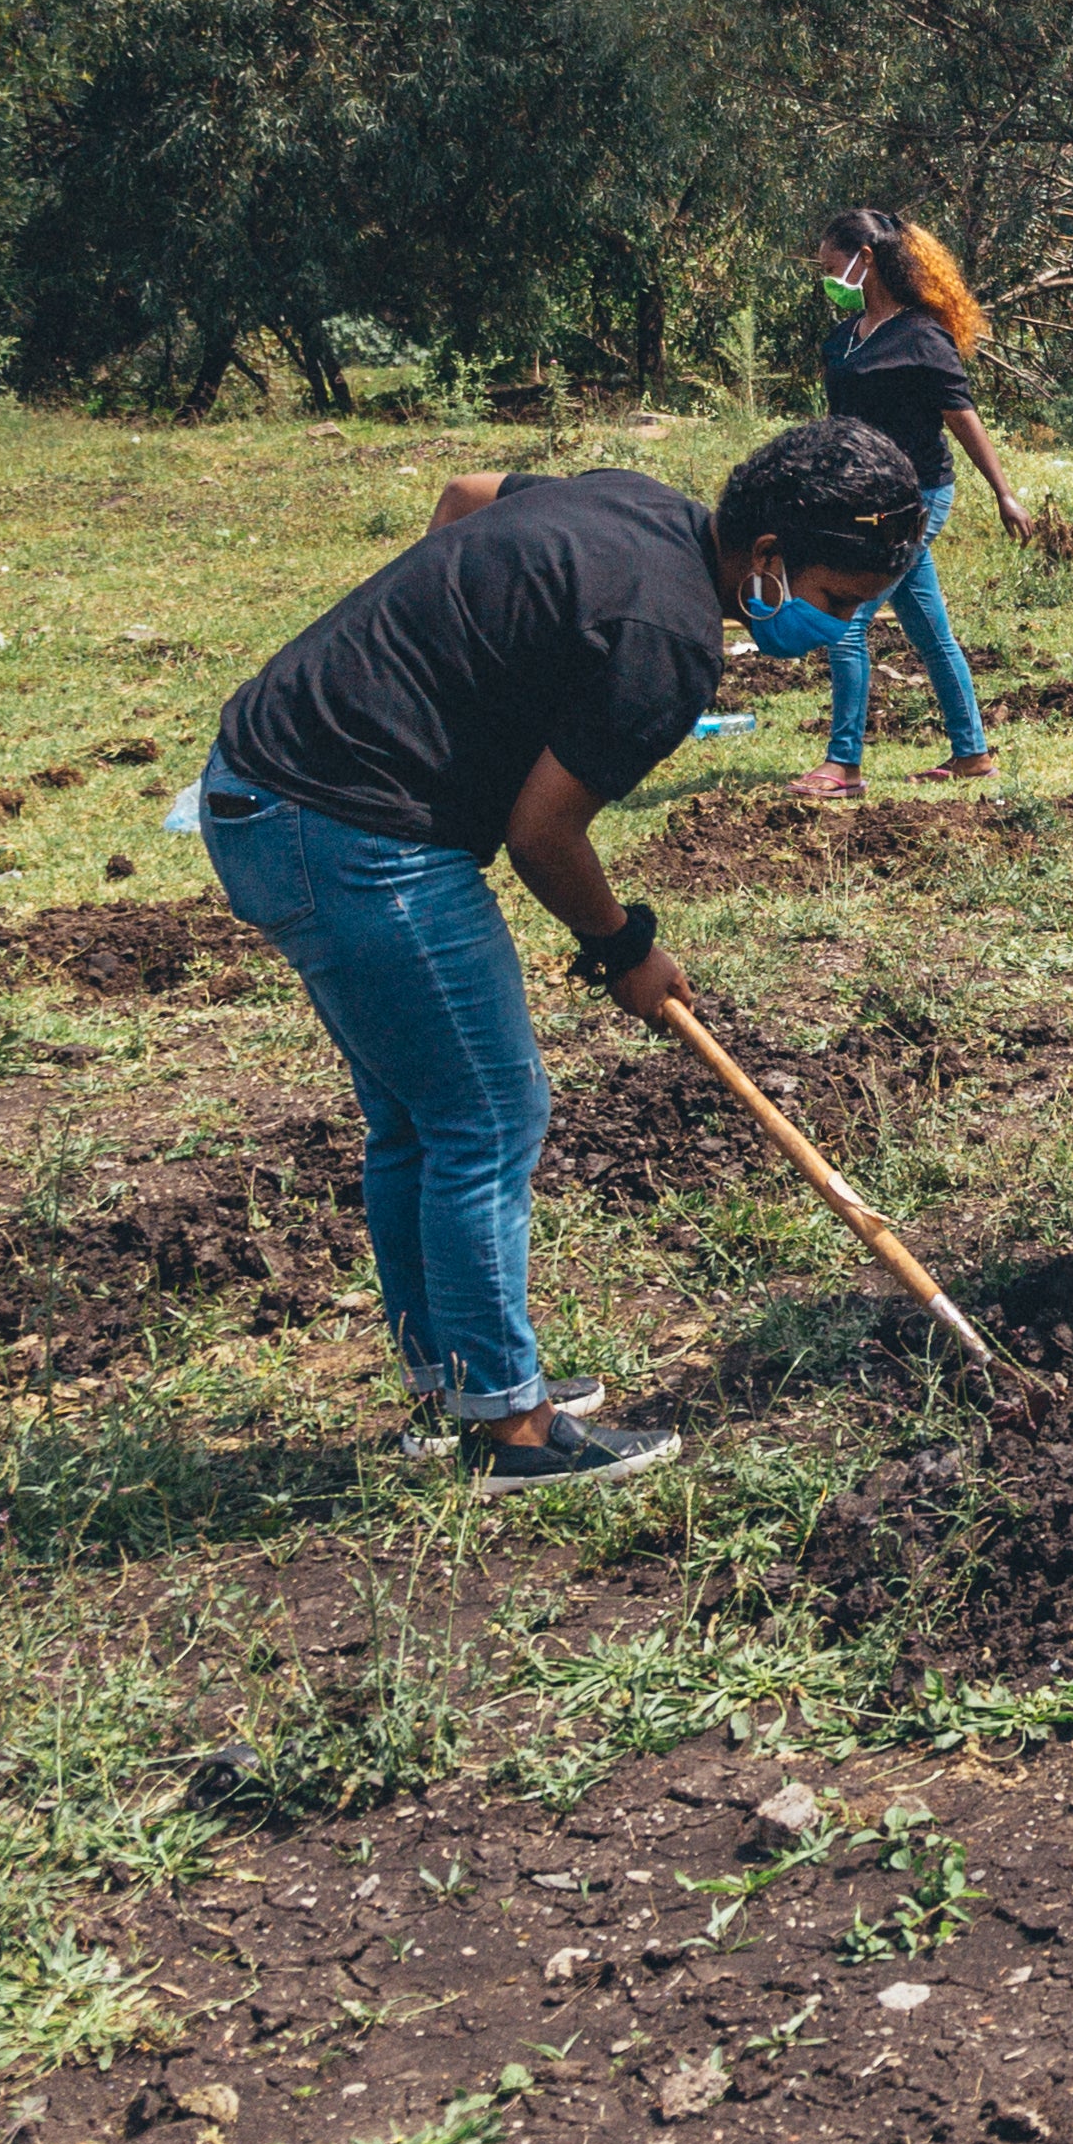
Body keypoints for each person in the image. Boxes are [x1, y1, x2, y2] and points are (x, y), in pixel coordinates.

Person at [194, 419, 926, 1494]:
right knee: (489, 1116)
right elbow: (545, 832)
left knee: (417, 1120)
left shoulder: (630, 501)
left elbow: (463, 496)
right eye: (836, 593)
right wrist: (624, 948)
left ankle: (453, 1387)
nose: (840, 623)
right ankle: (514, 1435)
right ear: (765, 553)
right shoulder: (665, 640)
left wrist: (446, 655)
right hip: (354, 837)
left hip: (262, 789)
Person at [797, 207, 1034, 799]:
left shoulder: (922, 335)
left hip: (915, 498)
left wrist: (1004, 492)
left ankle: (844, 764)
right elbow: (842, 424)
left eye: (832, 267)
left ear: (865, 259)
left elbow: (961, 417)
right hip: (862, 499)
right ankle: (972, 753)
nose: (828, 279)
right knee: (929, 630)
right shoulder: (845, 340)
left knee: (845, 618)